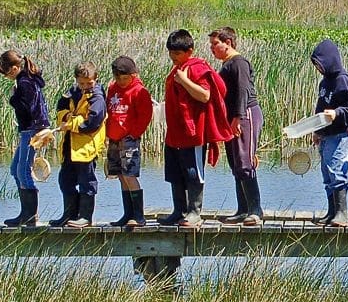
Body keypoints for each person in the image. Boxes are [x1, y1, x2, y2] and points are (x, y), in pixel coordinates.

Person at [160, 30, 231, 228]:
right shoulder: (178, 69)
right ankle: (179, 210)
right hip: (175, 133)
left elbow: (205, 95)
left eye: (177, 53)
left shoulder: (196, 68)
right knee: (175, 172)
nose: (173, 57)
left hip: (193, 133)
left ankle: (194, 212)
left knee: (193, 173)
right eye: (171, 53)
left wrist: (184, 81)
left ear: (189, 51)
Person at [209, 28, 264, 226]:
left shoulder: (239, 63)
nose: (212, 48)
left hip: (246, 114)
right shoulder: (227, 65)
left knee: (244, 161)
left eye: (215, 44)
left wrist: (238, 118)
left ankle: (256, 210)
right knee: (236, 164)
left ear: (229, 42)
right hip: (233, 117)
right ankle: (243, 210)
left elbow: (243, 91)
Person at [48, 62, 107, 229]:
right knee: (65, 180)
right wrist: (65, 118)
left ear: (96, 79)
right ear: (76, 80)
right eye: (82, 83)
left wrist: (72, 123)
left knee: (86, 181)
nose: (85, 87)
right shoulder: (73, 92)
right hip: (70, 145)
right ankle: (69, 214)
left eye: (89, 83)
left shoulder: (97, 97)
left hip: (86, 147)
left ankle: (85, 217)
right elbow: (60, 107)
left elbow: (93, 122)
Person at [0, 50, 49, 228]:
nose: (6, 77)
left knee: (23, 170)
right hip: (29, 129)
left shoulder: (25, 82)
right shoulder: (27, 79)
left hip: (31, 130)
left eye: (6, 73)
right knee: (15, 169)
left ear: (15, 68)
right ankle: (24, 213)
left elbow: (27, 106)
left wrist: (13, 98)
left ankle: (30, 215)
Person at [311, 38, 348, 227]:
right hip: (325, 135)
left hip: (340, 134)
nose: (318, 68)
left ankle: (341, 213)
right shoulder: (324, 83)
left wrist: (336, 113)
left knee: (337, 169)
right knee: (327, 172)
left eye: (319, 64)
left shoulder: (343, 80)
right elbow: (320, 107)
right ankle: (331, 211)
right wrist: (317, 130)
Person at [105, 55, 153, 228]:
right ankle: (128, 213)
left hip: (129, 138)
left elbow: (145, 116)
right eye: (118, 78)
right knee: (119, 175)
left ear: (133, 75)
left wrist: (134, 133)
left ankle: (139, 216)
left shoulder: (139, 91)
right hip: (114, 137)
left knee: (129, 175)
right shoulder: (112, 89)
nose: (122, 81)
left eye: (125, 78)